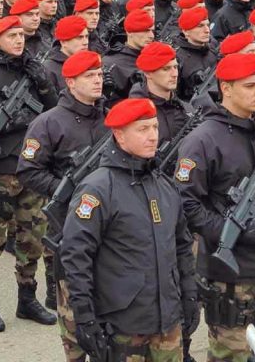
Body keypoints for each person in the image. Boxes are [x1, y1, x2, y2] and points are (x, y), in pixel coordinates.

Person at [175, 53, 255, 362]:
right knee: (229, 356)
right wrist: (228, 229)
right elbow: (185, 203)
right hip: (230, 279)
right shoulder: (202, 140)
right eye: (250, 86)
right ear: (226, 88)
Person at [60, 97, 198, 362]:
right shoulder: (98, 189)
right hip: (123, 327)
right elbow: (76, 256)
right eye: (142, 129)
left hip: (168, 323)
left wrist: (190, 294)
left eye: (155, 127)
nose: (152, 136)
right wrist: (85, 317)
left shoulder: (164, 185)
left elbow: (181, 246)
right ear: (120, 135)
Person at [0, 16, 58, 331]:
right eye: (11, 35)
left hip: (32, 166)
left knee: (32, 238)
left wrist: (44, 83)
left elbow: (54, 110)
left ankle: (27, 297)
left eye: (21, 35)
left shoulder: (33, 70)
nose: (19, 40)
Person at [17, 50, 109, 333]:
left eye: (99, 74)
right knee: (74, 301)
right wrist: (65, 190)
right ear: (70, 82)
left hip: (109, 217)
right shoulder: (49, 122)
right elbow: (28, 170)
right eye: (89, 76)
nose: (98, 80)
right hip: (70, 217)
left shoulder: (108, 118)